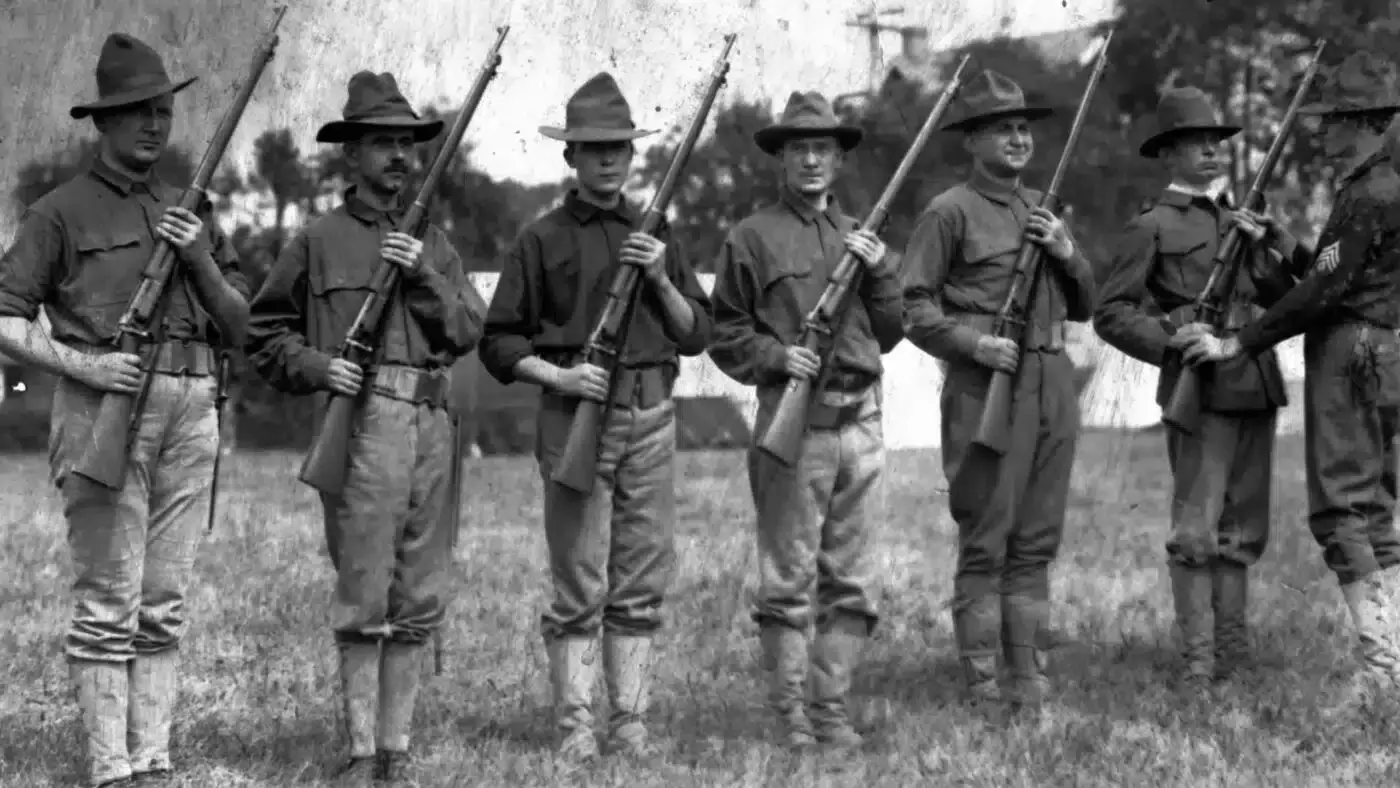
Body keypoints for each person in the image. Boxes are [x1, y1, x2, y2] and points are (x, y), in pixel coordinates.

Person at [0, 33, 249, 787]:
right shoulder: (57, 212)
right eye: (138, 111)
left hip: (192, 409)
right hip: (101, 410)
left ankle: (154, 761)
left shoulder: (193, 211)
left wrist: (199, 254)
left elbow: (244, 327)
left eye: (163, 110)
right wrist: (89, 367)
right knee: (109, 603)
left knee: (163, 604)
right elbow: (6, 320)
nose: (153, 124)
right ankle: (111, 769)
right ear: (103, 121)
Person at [244, 71, 485, 783]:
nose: (400, 156)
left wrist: (423, 275)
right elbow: (263, 335)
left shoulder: (435, 243)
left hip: (432, 423)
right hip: (364, 421)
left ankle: (396, 754)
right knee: (364, 589)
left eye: (408, 143)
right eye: (383, 143)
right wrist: (321, 369)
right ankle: (358, 754)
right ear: (351, 155)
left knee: (420, 592)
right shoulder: (317, 240)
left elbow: (469, 329)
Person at [478, 72, 712, 762]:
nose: (609, 159)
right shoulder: (539, 238)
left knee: (640, 580)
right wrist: (561, 377)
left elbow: (696, 334)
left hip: (653, 415)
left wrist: (660, 276)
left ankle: (630, 726)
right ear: (570, 156)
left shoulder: (658, 233)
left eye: (620, 147)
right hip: (575, 417)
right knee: (579, 581)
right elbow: (498, 342)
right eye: (595, 148)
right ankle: (576, 730)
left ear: (633, 155)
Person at [1178, 51, 1400, 687]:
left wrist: (1238, 343)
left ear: (1362, 122)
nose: (1321, 130)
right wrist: (1281, 243)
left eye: (1332, 119)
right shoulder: (1377, 189)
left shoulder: (1367, 194)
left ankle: (1383, 669)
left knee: (1342, 513)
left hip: (1348, 351)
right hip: (1380, 347)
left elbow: (1321, 295)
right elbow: (1335, 274)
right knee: (1375, 512)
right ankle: (1392, 660)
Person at [707, 91, 901, 749]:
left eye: (822, 148)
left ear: (839, 159)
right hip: (796, 425)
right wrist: (776, 356)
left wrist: (879, 271)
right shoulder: (751, 237)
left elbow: (892, 331)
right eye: (799, 149)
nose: (812, 159)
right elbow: (724, 332)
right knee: (788, 580)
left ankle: (831, 709)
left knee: (854, 581)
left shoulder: (862, 236)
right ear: (782, 159)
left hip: (862, 423)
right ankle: (790, 714)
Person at [1093, 86, 1301, 689]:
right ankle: (1198, 662)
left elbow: (1282, 299)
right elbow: (1111, 312)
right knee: (1196, 532)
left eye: (1215, 143)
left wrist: (1265, 249)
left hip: (1254, 381)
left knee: (1244, 531)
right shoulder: (1151, 225)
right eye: (1195, 144)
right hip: (1199, 388)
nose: (1210, 153)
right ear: (1167, 155)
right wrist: (1170, 337)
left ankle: (1232, 657)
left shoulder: (1242, 219)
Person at [901, 69, 1097, 707]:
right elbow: (914, 308)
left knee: (1037, 540)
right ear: (972, 141)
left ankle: (1029, 678)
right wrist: (972, 343)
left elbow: (1086, 304)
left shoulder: (1045, 210)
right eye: (1001, 129)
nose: (1017, 139)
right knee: (987, 535)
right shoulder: (948, 212)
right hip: (987, 387)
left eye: (1022, 128)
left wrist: (1066, 252)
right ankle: (984, 687)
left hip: (1052, 381)